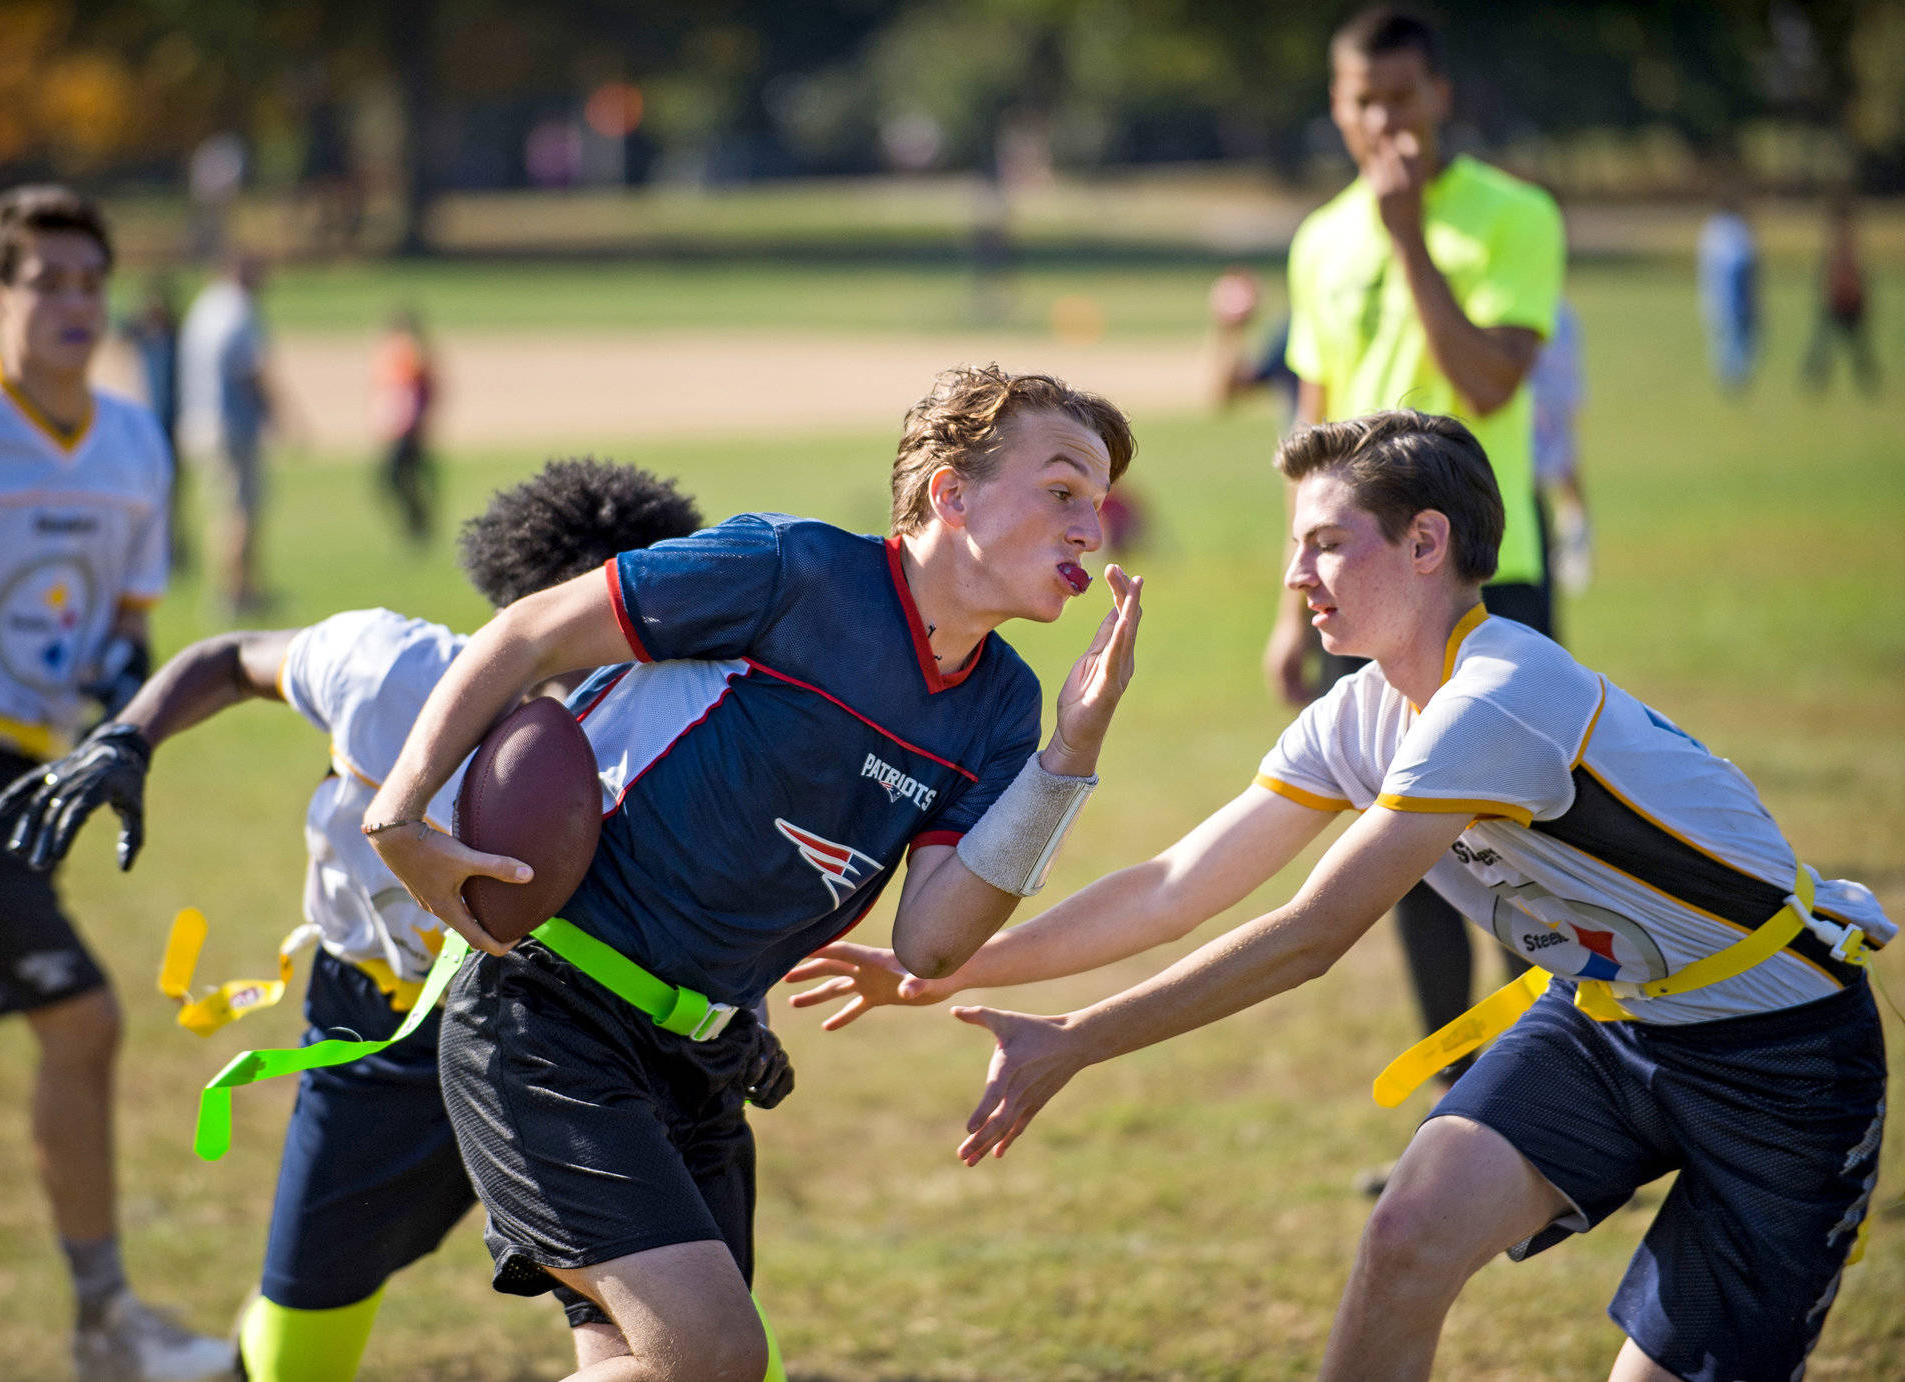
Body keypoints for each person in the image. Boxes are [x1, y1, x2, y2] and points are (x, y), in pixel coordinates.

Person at [793, 409, 1891, 1382]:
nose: (1294, 576)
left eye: (1324, 542)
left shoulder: (1497, 698)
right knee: (1407, 1234)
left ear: (1425, 543)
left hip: (1779, 1056)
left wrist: (1077, 1039)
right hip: (1606, 1021)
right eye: (1294, 545)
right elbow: (1175, 885)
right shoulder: (1358, 713)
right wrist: (947, 968)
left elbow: (1310, 935)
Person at [366, 364, 1145, 1382]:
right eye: (1063, 491)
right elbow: (529, 632)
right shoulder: (791, 568)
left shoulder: (1003, 704)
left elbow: (931, 941)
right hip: (550, 1016)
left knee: (670, 1365)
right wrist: (400, 810)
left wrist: (1068, 756)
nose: (1092, 527)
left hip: (706, 1057)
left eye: (1097, 501)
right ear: (952, 494)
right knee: (718, 1354)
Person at [0, 459, 716, 1382]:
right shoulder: (391, 673)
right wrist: (128, 736)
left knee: (698, 1343)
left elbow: (727, 894)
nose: (611, 656)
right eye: (585, 625)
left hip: (567, 1044)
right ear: (520, 615)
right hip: (377, 1033)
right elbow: (231, 659)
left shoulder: (679, 727)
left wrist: (736, 1017)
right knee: (300, 1343)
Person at [0, 185, 235, 1382]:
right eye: (45, 282)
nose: (74, 304)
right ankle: (105, 1324)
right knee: (83, 1020)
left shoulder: (132, 441)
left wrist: (122, 687)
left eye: (89, 282)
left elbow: (128, 617)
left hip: (34, 780)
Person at [1264, 7, 1565, 1106]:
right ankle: (1458, 1102)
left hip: (1491, 575)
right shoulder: (1318, 240)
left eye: (1402, 95)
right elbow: (1312, 439)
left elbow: (1488, 381)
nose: (1384, 119)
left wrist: (1407, 238)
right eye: (1363, 99)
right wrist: (1291, 605)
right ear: (1336, 108)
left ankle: (1553, 1100)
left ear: (1439, 95)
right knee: (1406, 854)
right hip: (1364, 585)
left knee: (1523, 847)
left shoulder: (1513, 215)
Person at [178, 253, 276, 615]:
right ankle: (236, 593)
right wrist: (277, 414)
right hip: (232, 425)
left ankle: (234, 590)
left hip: (198, 420)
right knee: (241, 511)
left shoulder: (205, 306)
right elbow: (251, 370)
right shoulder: (239, 310)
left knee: (223, 510)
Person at [119, 275, 184, 568]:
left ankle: (171, 547)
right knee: (146, 491)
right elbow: (120, 330)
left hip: (170, 424)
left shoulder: (174, 338)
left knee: (172, 492)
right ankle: (148, 549)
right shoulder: (146, 337)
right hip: (149, 424)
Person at [1529, 298, 1591, 596]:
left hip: (1541, 319)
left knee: (1560, 459)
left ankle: (1576, 531)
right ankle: (1568, 533)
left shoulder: (1559, 316)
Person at [1802, 192, 1880, 397]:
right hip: (1843, 300)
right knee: (1834, 345)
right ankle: (1815, 379)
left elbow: (1836, 273)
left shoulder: (1840, 241)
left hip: (1841, 300)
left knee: (1839, 345)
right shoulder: (1846, 240)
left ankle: (1816, 379)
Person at [1202, 269, 1300, 430]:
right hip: (1309, 439)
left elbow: (1226, 395)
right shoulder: (1289, 333)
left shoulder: (1292, 331)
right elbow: (1227, 394)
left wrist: (1229, 330)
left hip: (1315, 438)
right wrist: (1231, 333)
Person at [372, 310, 437, 544]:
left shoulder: (414, 357)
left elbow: (420, 393)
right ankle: (416, 524)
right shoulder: (391, 357)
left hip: (408, 429)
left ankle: (419, 524)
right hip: (393, 429)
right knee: (394, 480)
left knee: (398, 477)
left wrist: (418, 422)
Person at [1697, 192, 1760, 396]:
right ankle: (1735, 379)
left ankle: (1729, 378)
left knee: (1723, 338)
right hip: (1735, 295)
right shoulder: (1736, 230)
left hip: (1714, 296)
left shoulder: (1711, 229)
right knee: (1737, 338)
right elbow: (1741, 264)